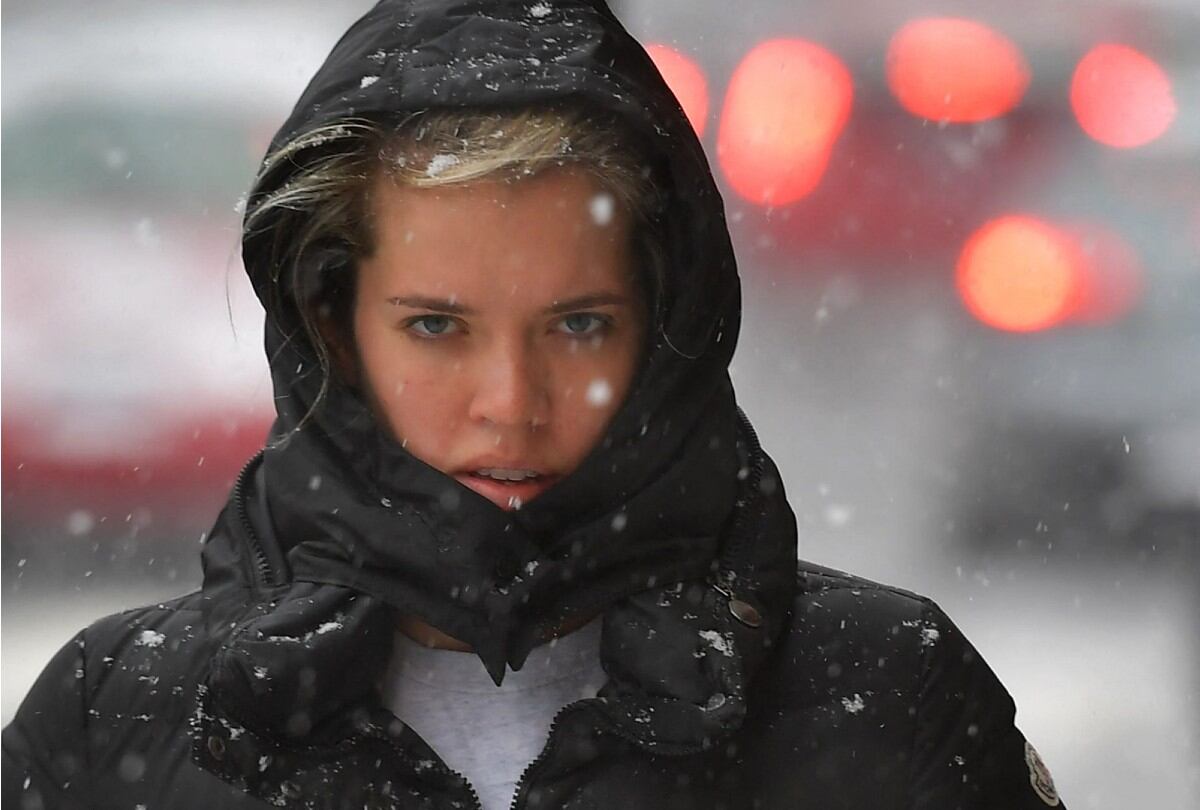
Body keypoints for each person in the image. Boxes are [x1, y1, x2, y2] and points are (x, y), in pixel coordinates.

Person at [2, 1, 1066, 808]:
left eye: (577, 325)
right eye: (437, 327)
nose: (510, 406)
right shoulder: (115, 719)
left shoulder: (887, 697)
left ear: (667, 324)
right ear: (333, 323)